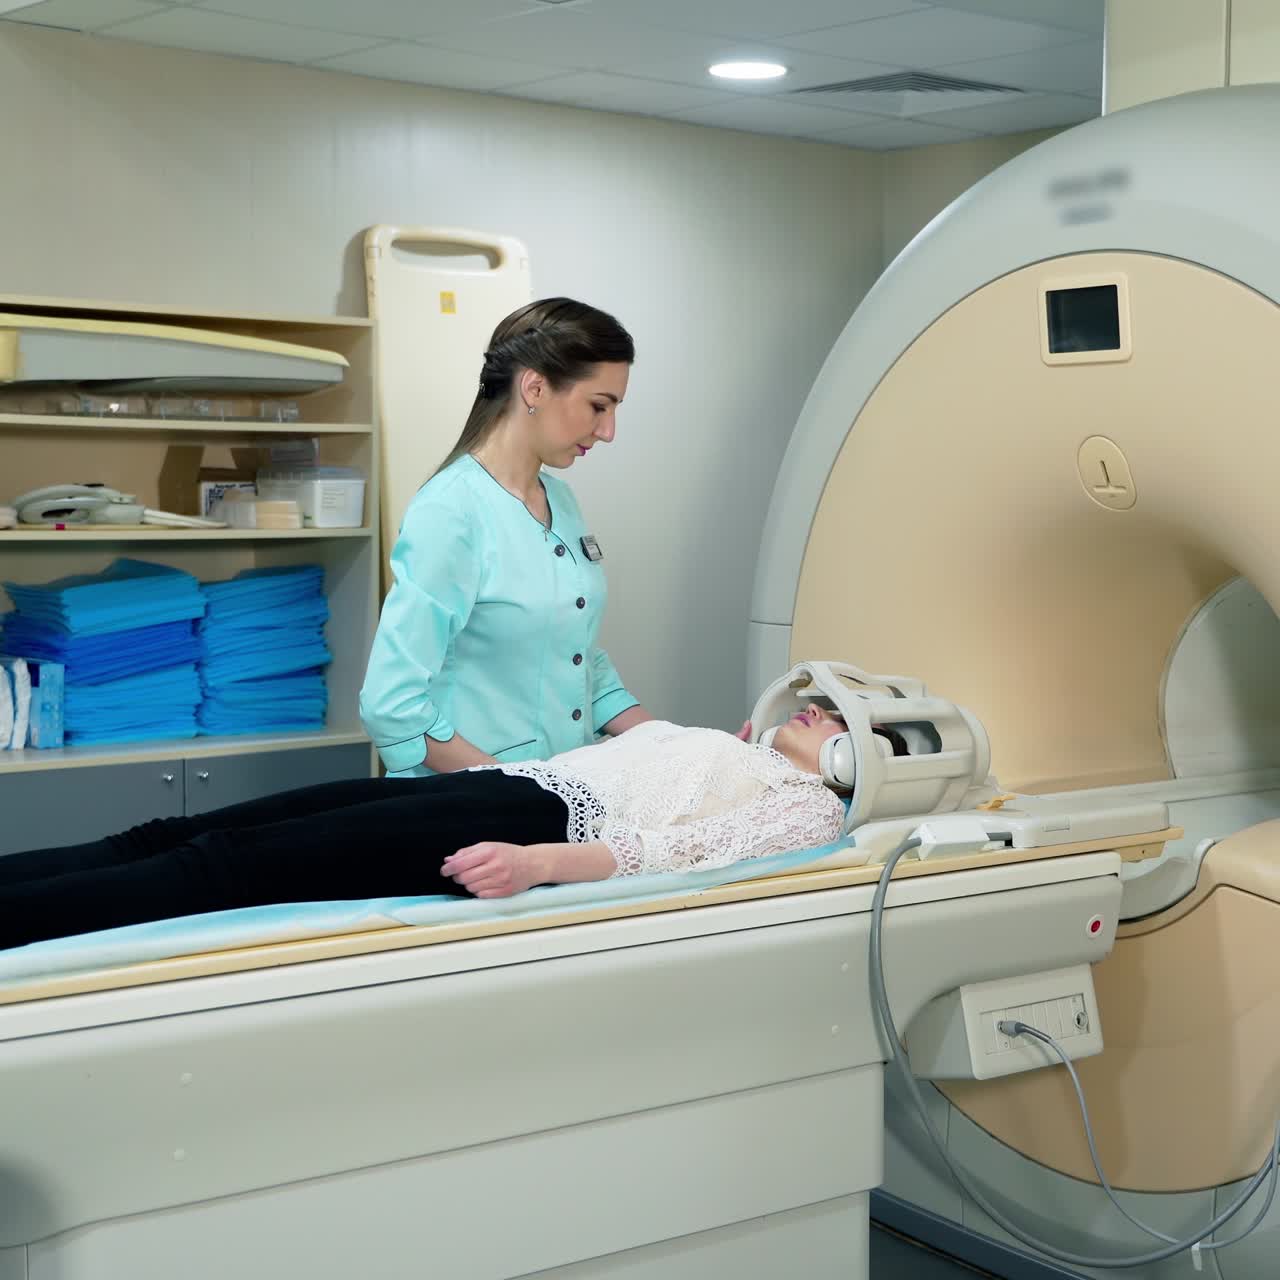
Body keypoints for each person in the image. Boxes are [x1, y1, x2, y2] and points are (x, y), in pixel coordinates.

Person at [0, 706, 852, 950]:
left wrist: (538, 865)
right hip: (499, 787)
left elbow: (673, 851)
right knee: (170, 835)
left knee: (219, 868)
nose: (816, 707)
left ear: (859, 765)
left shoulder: (809, 803)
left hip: (524, 823)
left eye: (837, 720)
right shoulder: (738, 749)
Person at [359, 297, 660, 778]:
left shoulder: (560, 501)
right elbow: (391, 704)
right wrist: (521, 790)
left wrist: (678, 745)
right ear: (535, 387)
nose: (608, 431)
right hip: (469, 810)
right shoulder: (451, 510)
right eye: (598, 406)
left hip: (553, 799)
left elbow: (576, 659)